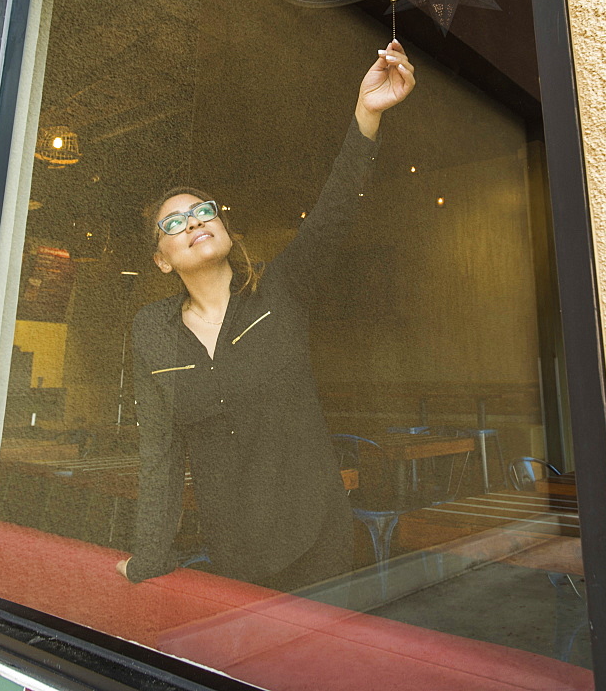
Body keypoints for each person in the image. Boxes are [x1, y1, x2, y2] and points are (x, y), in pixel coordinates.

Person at [116, 40, 416, 589]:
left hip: (317, 539)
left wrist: (366, 116)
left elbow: (333, 214)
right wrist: (148, 561)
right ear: (160, 261)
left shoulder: (280, 287)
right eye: (174, 222)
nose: (194, 221)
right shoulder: (152, 333)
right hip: (234, 553)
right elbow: (159, 456)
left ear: (225, 227)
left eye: (203, 210)